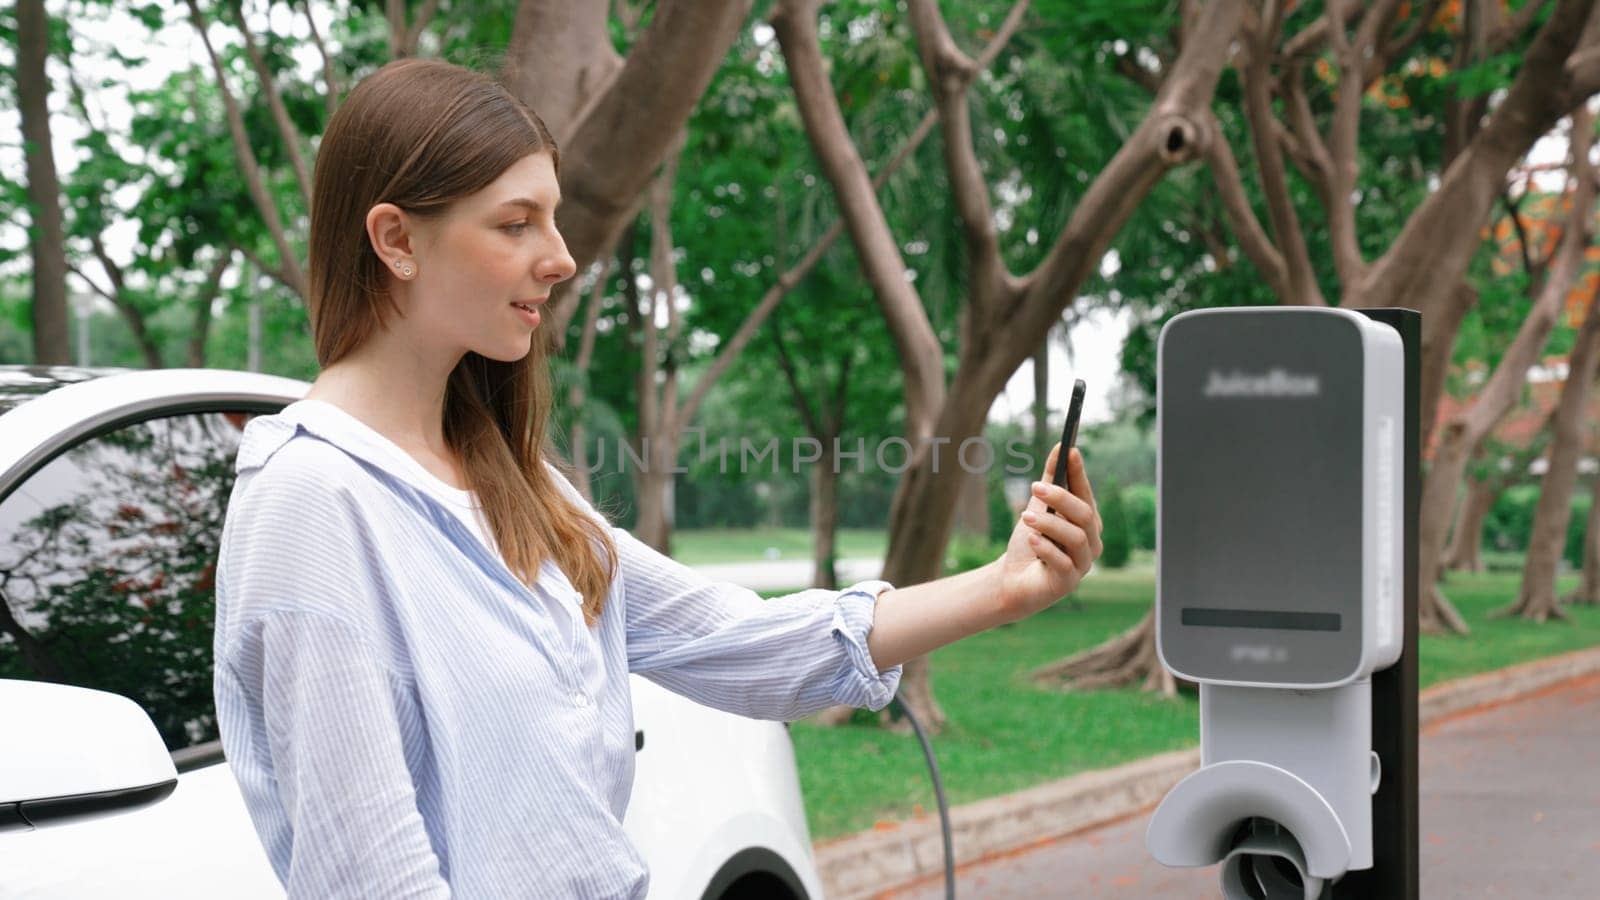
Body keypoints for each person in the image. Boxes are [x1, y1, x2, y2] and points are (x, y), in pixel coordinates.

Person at [212, 57, 1104, 899]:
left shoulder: (517, 488)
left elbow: (745, 644)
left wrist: (1007, 587)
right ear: (396, 239)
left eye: (553, 220)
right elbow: (373, 881)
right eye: (516, 222)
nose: (560, 257)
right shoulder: (312, 505)